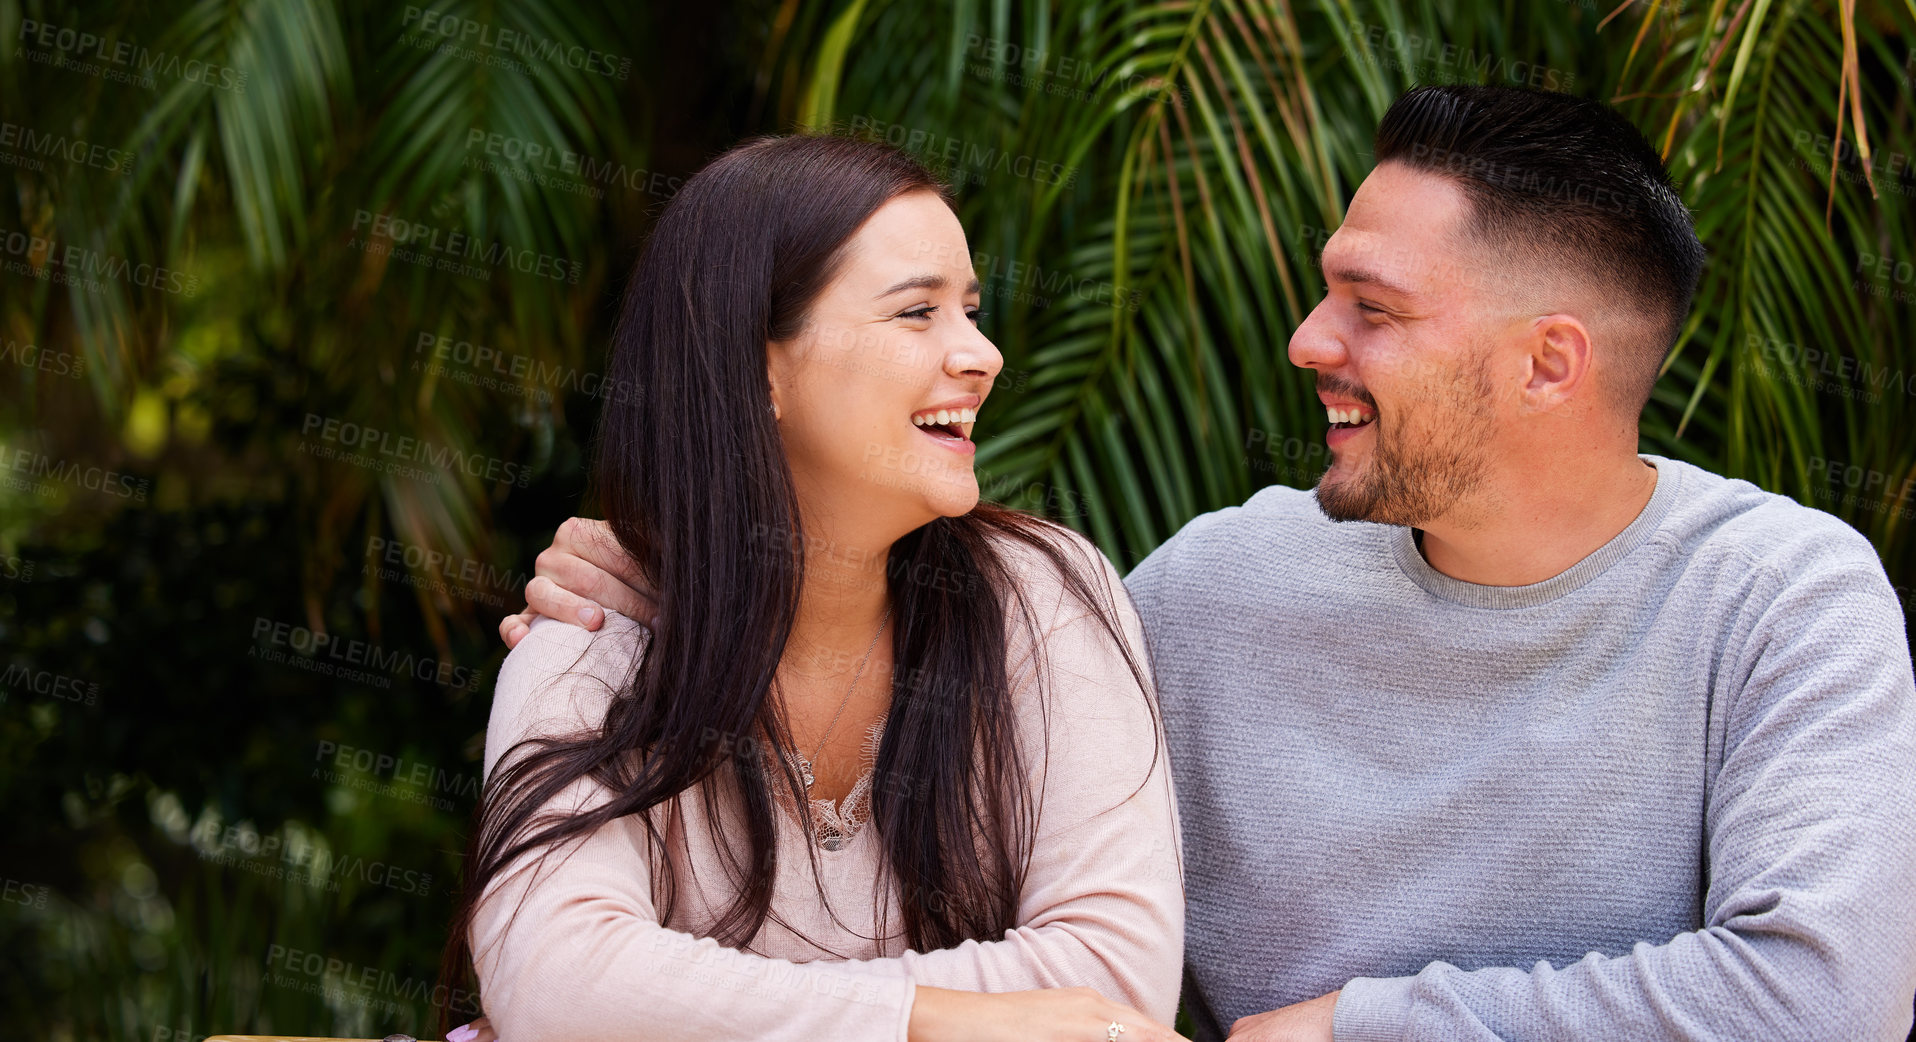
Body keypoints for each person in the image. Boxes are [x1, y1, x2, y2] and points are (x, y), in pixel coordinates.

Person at [504, 86, 1916, 1041]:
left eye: (1370, 308)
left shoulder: (1780, 597)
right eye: (1324, 289)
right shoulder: (1206, 593)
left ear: (1550, 362)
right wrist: (662, 564)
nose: (1308, 339)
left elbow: (1826, 997)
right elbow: (918, 616)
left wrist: (1367, 1027)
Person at [445, 134, 1187, 1042]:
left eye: (970, 310)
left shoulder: (1044, 598)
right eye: (917, 313)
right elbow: (557, 984)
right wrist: (931, 1023)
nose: (983, 355)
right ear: (761, 369)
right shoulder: (595, 631)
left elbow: (1114, 984)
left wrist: (682, 1004)